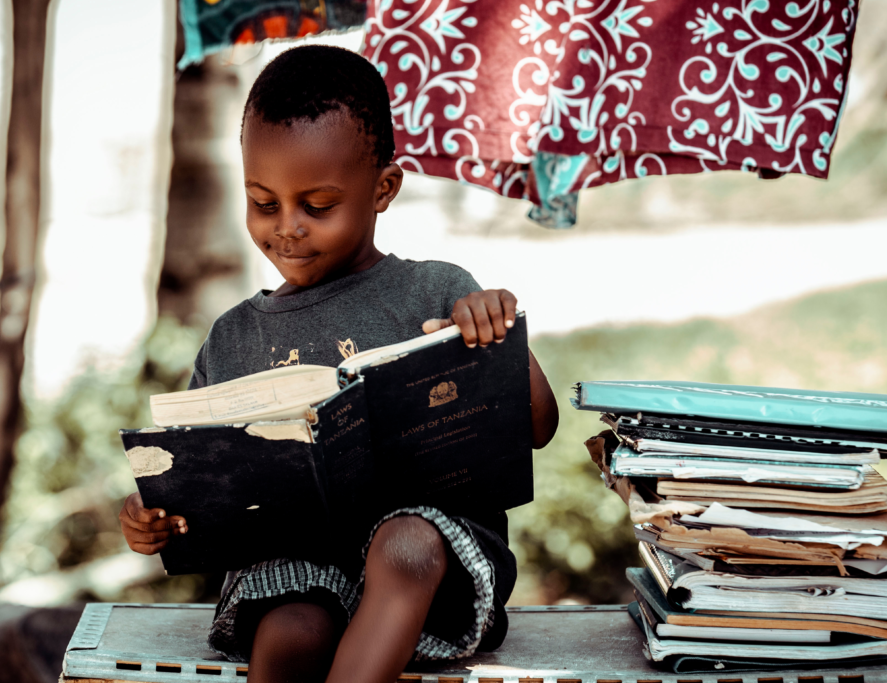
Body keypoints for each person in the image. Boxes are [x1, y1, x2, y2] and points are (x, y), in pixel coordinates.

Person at [117, 44, 559, 683]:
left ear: (383, 189)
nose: (287, 228)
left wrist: (500, 339)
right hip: (297, 571)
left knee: (405, 542)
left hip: (434, 569)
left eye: (316, 205)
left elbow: (536, 428)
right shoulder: (231, 338)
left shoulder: (437, 291)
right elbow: (196, 478)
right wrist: (149, 516)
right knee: (294, 629)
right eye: (264, 203)